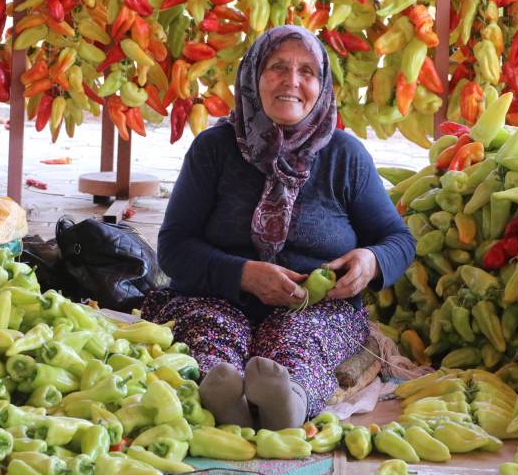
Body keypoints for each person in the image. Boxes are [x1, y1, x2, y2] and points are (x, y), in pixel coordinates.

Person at [142, 25, 415, 430]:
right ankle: (222, 394)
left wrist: (370, 260)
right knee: (210, 333)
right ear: (253, 76)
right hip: (219, 298)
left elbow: (398, 239)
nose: (292, 81)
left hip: (315, 308)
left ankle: (288, 400)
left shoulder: (344, 156)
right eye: (278, 67)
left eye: (308, 71)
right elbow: (174, 247)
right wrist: (243, 275)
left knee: (301, 342)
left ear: (321, 86)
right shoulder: (214, 150)